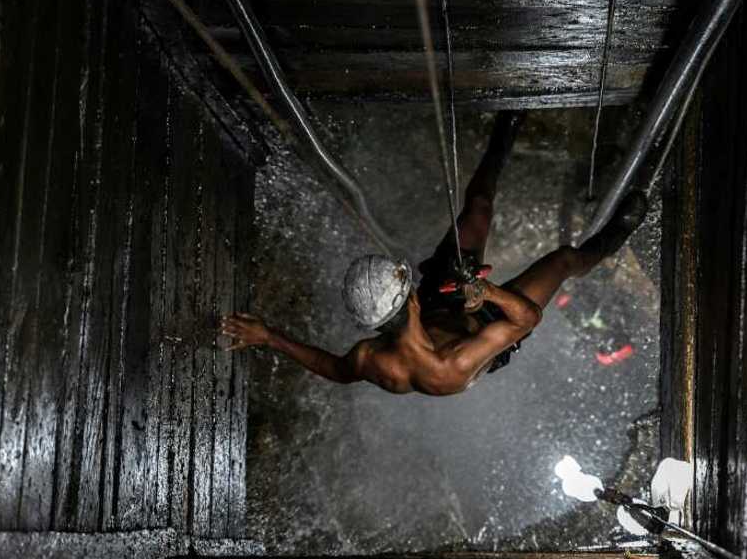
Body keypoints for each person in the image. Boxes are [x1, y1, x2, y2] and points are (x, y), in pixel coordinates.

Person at [219, 113, 647, 396]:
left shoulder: (369, 355)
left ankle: (506, 130)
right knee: (563, 261)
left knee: (477, 208)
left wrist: (268, 336)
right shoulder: (449, 366)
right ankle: (616, 236)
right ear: (410, 298)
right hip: (491, 325)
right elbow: (526, 319)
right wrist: (487, 292)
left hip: (446, 301)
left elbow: (334, 368)